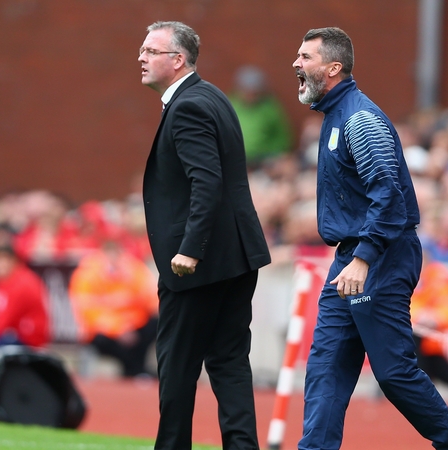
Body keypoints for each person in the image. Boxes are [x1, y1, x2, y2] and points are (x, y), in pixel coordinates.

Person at [292, 27, 448, 450]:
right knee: (327, 365)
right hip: (352, 256)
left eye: (305, 57)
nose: (296, 64)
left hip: (379, 255)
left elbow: (389, 195)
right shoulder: (335, 115)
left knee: (393, 371)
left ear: (333, 68)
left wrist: (364, 257)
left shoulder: (358, 119)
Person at [138, 21, 271, 449]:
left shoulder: (189, 106)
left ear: (176, 61)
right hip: (237, 258)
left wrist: (189, 250)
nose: (140, 57)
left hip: (199, 264)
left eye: (150, 50)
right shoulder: (213, 96)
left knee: (176, 367)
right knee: (230, 362)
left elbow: (206, 182)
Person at [68, 236, 158, 378]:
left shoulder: (135, 270)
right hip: (105, 331)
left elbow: (152, 302)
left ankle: (135, 370)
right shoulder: (87, 274)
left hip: (134, 326)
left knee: (155, 324)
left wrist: (129, 323)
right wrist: (118, 329)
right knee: (101, 339)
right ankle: (136, 370)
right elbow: (87, 311)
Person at [0, 245, 50, 368]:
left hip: (25, 339)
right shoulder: (5, 279)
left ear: (13, 261)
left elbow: (2, 324)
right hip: (13, 329)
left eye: (1, 260)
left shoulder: (21, 284)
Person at [411, 250, 448, 397]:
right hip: (416, 342)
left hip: (430, 345)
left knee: (444, 375)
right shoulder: (404, 277)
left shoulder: (437, 279)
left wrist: (433, 318)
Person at [228, 65, 293, 165]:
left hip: (264, 161)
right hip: (234, 160)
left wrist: (270, 153)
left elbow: (282, 138)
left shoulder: (270, 109)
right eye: (246, 91)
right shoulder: (229, 105)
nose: (250, 95)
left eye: (254, 92)